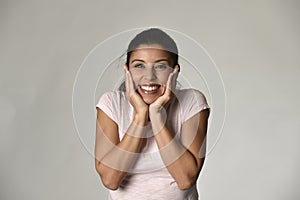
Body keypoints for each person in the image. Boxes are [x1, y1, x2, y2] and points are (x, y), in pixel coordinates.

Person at [95, 28, 210, 200]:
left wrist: (156, 116)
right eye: (139, 65)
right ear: (127, 71)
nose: (149, 76)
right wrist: (140, 117)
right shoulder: (111, 104)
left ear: (175, 71)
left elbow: (185, 179)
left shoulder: (192, 101)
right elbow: (111, 180)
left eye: (160, 66)